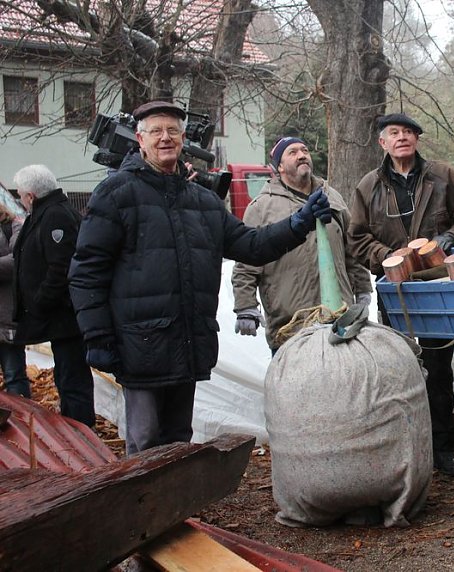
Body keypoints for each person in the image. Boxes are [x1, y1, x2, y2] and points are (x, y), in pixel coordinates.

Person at [68, 100, 331, 454]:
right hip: (139, 347)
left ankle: (176, 509)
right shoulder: (116, 194)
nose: (166, 138)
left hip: (188, 342)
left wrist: (296, 225)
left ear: (182, 140)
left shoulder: (203, 202)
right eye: (156, 131)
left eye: (173, 131)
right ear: (140, 141)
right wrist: (97, 337)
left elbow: (251, 245)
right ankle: (148, 510)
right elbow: (86, 271)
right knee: (144, 443)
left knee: (179, 440)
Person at [348, 112, 454, 477]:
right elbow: (356, 237)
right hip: (396, 288)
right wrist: (386, 258)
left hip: (435, 285)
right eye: (394, 133)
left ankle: (443, 448)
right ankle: (406, 448)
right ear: (382, 142)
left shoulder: (443, 176)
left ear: (417, 140)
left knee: (438, 365)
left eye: (408, 132)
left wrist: (450, 239)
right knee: (400, 367)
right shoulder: (368, 186)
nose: (402, 137)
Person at [232, 136, 371, 353]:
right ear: (279, 166)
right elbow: (246, 262)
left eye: (304, 150)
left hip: (338, 320)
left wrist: (363, 289)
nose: (302, 155)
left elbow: (351, 250)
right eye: (293, 152)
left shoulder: (332, 197)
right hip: (291, 326)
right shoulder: (261, 207)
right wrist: (245, 306)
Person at [12, 165, 95, 426]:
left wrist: (39, 301)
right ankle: (76, 426)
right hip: (59, 319)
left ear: (30, 196)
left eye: (22, 196)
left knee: (73, 379)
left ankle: (82, 431)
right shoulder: (51, 213)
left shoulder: (55, 216)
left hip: (64, 318)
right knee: (67, 376)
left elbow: (61, 267)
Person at [0, 202, 30, 398]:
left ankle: (23, 424)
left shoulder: (14, 224)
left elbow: (19, 259)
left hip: (6, 318)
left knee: (14, 376)